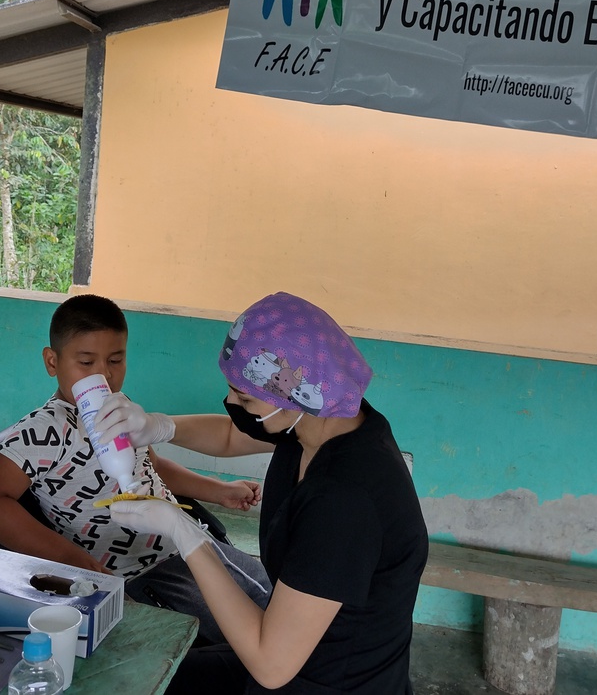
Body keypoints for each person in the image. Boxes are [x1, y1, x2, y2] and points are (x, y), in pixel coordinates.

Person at [95, 292, 428, 694]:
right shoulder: (320, 421)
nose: (233, 403)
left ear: (291, 395)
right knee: (141, 673)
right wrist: (158, 426)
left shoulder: (345, 501)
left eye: (245, 396)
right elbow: (234, 434)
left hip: (326, 680)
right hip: (293, 649)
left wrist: (184, 531)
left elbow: (271, 665)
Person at [0, 293, 271, 646]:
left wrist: (218, 489)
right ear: (52, 362)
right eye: (86, 362)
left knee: (273, 604)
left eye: (115, 360)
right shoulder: (44, 431)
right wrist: (74, 563)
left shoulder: (117, 410)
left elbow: (152, 468)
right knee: (255, 634)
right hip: (147, 572)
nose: (103, 374)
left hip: (186, 542)